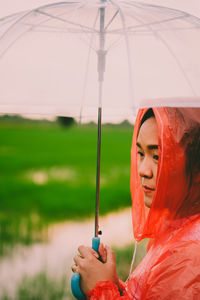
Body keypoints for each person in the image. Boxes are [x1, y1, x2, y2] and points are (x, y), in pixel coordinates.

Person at [72, 107, 200, 299]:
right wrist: (113, 284)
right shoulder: (177, 229)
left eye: (157, 156)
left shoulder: (189, 257)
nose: (143, 170)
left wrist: (102, 289)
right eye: (140, 153)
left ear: (194, 165)